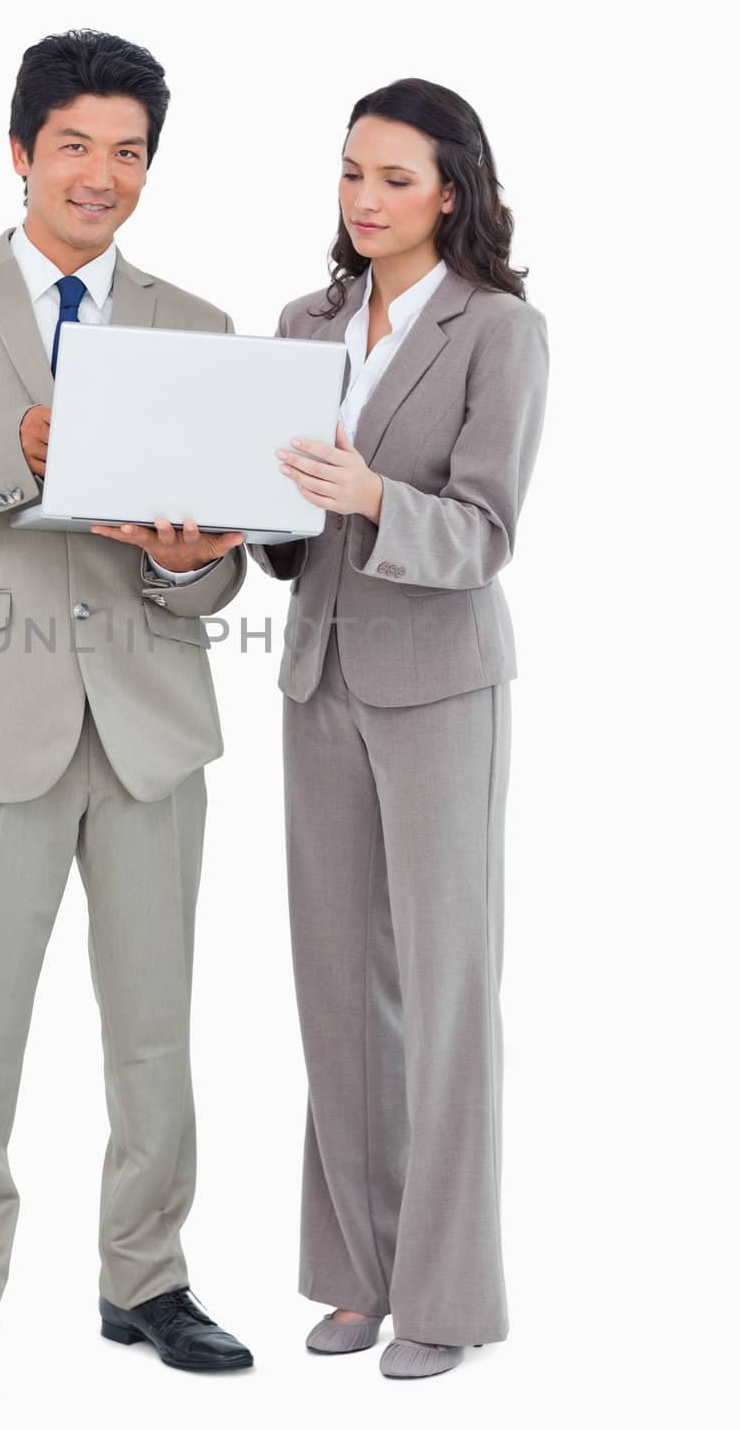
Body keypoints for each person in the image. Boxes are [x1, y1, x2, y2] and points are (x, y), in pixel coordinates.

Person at [0, 29, 253, 1401]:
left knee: (156, 1025)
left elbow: (219, 565)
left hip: (149, 721)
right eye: (76, 144)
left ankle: (148, 1276)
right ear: (22, 152)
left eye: (128, 152)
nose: (102, 175)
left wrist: (196, 560)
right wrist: (10, 446)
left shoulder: (194, 326)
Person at [248, 77, 549, 1380]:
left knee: (446, 992)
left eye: (394, 178)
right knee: (337, 994)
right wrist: (241, 517)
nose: (364, 200)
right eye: (351, 173)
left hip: (438, 689)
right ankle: (358, 1274)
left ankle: (447, 1297)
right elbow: (281, 521)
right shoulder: (303, 322)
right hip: (317, 677)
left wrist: (372, 493)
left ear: (452, 192)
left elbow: (484, 535)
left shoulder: (499, 332)